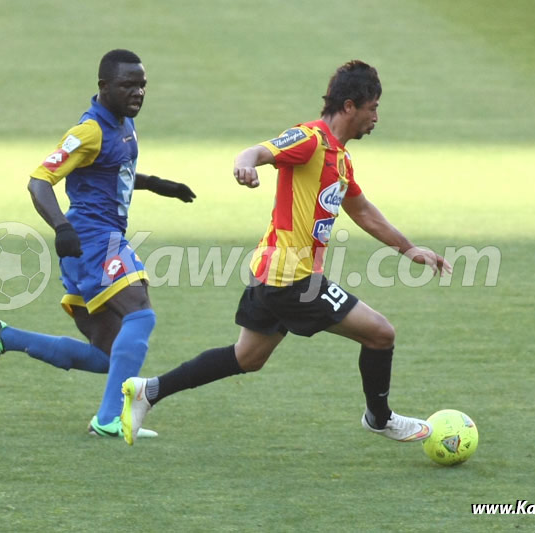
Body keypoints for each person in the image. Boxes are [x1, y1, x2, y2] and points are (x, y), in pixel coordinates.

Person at [120, 59, 452, 445]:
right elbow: (256, 152)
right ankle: (380, 418)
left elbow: (361, 210)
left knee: (247, 357)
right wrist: (245, 166)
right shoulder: (309, 140)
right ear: (349, 106)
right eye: (372, 108)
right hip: (292, 279)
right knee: (380, 334)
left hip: (271, 274)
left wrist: (409, 250)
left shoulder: (340, 159)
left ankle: (149, 391)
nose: (376, 117)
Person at [0, 49, 196, 439]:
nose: (138, 93)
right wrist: (61, 227)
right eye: (128, 85)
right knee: (140, 314)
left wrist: (157, 184)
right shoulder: (88, 131)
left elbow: (113, 169)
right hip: (93, 240)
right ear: (104, 86)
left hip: (96, 242)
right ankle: (109, 420)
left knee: (107, 355)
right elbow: (39, 181)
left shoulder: (123, 122)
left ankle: (4, 336)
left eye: (142, 85)